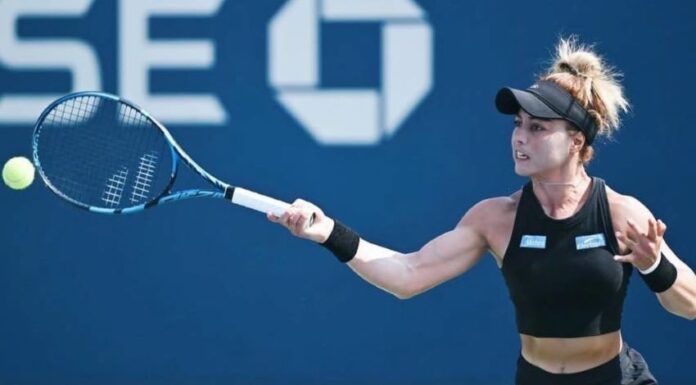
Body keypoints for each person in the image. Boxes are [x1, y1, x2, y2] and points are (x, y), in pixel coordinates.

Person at [267, 37, 696, 385]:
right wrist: (328, 233)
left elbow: (691, 305)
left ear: (577, 142)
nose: (520, 138)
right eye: (517, 125)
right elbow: (407, 275)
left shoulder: (621, 214)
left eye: (537, 128)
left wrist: (655, 265)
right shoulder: (496, 218)